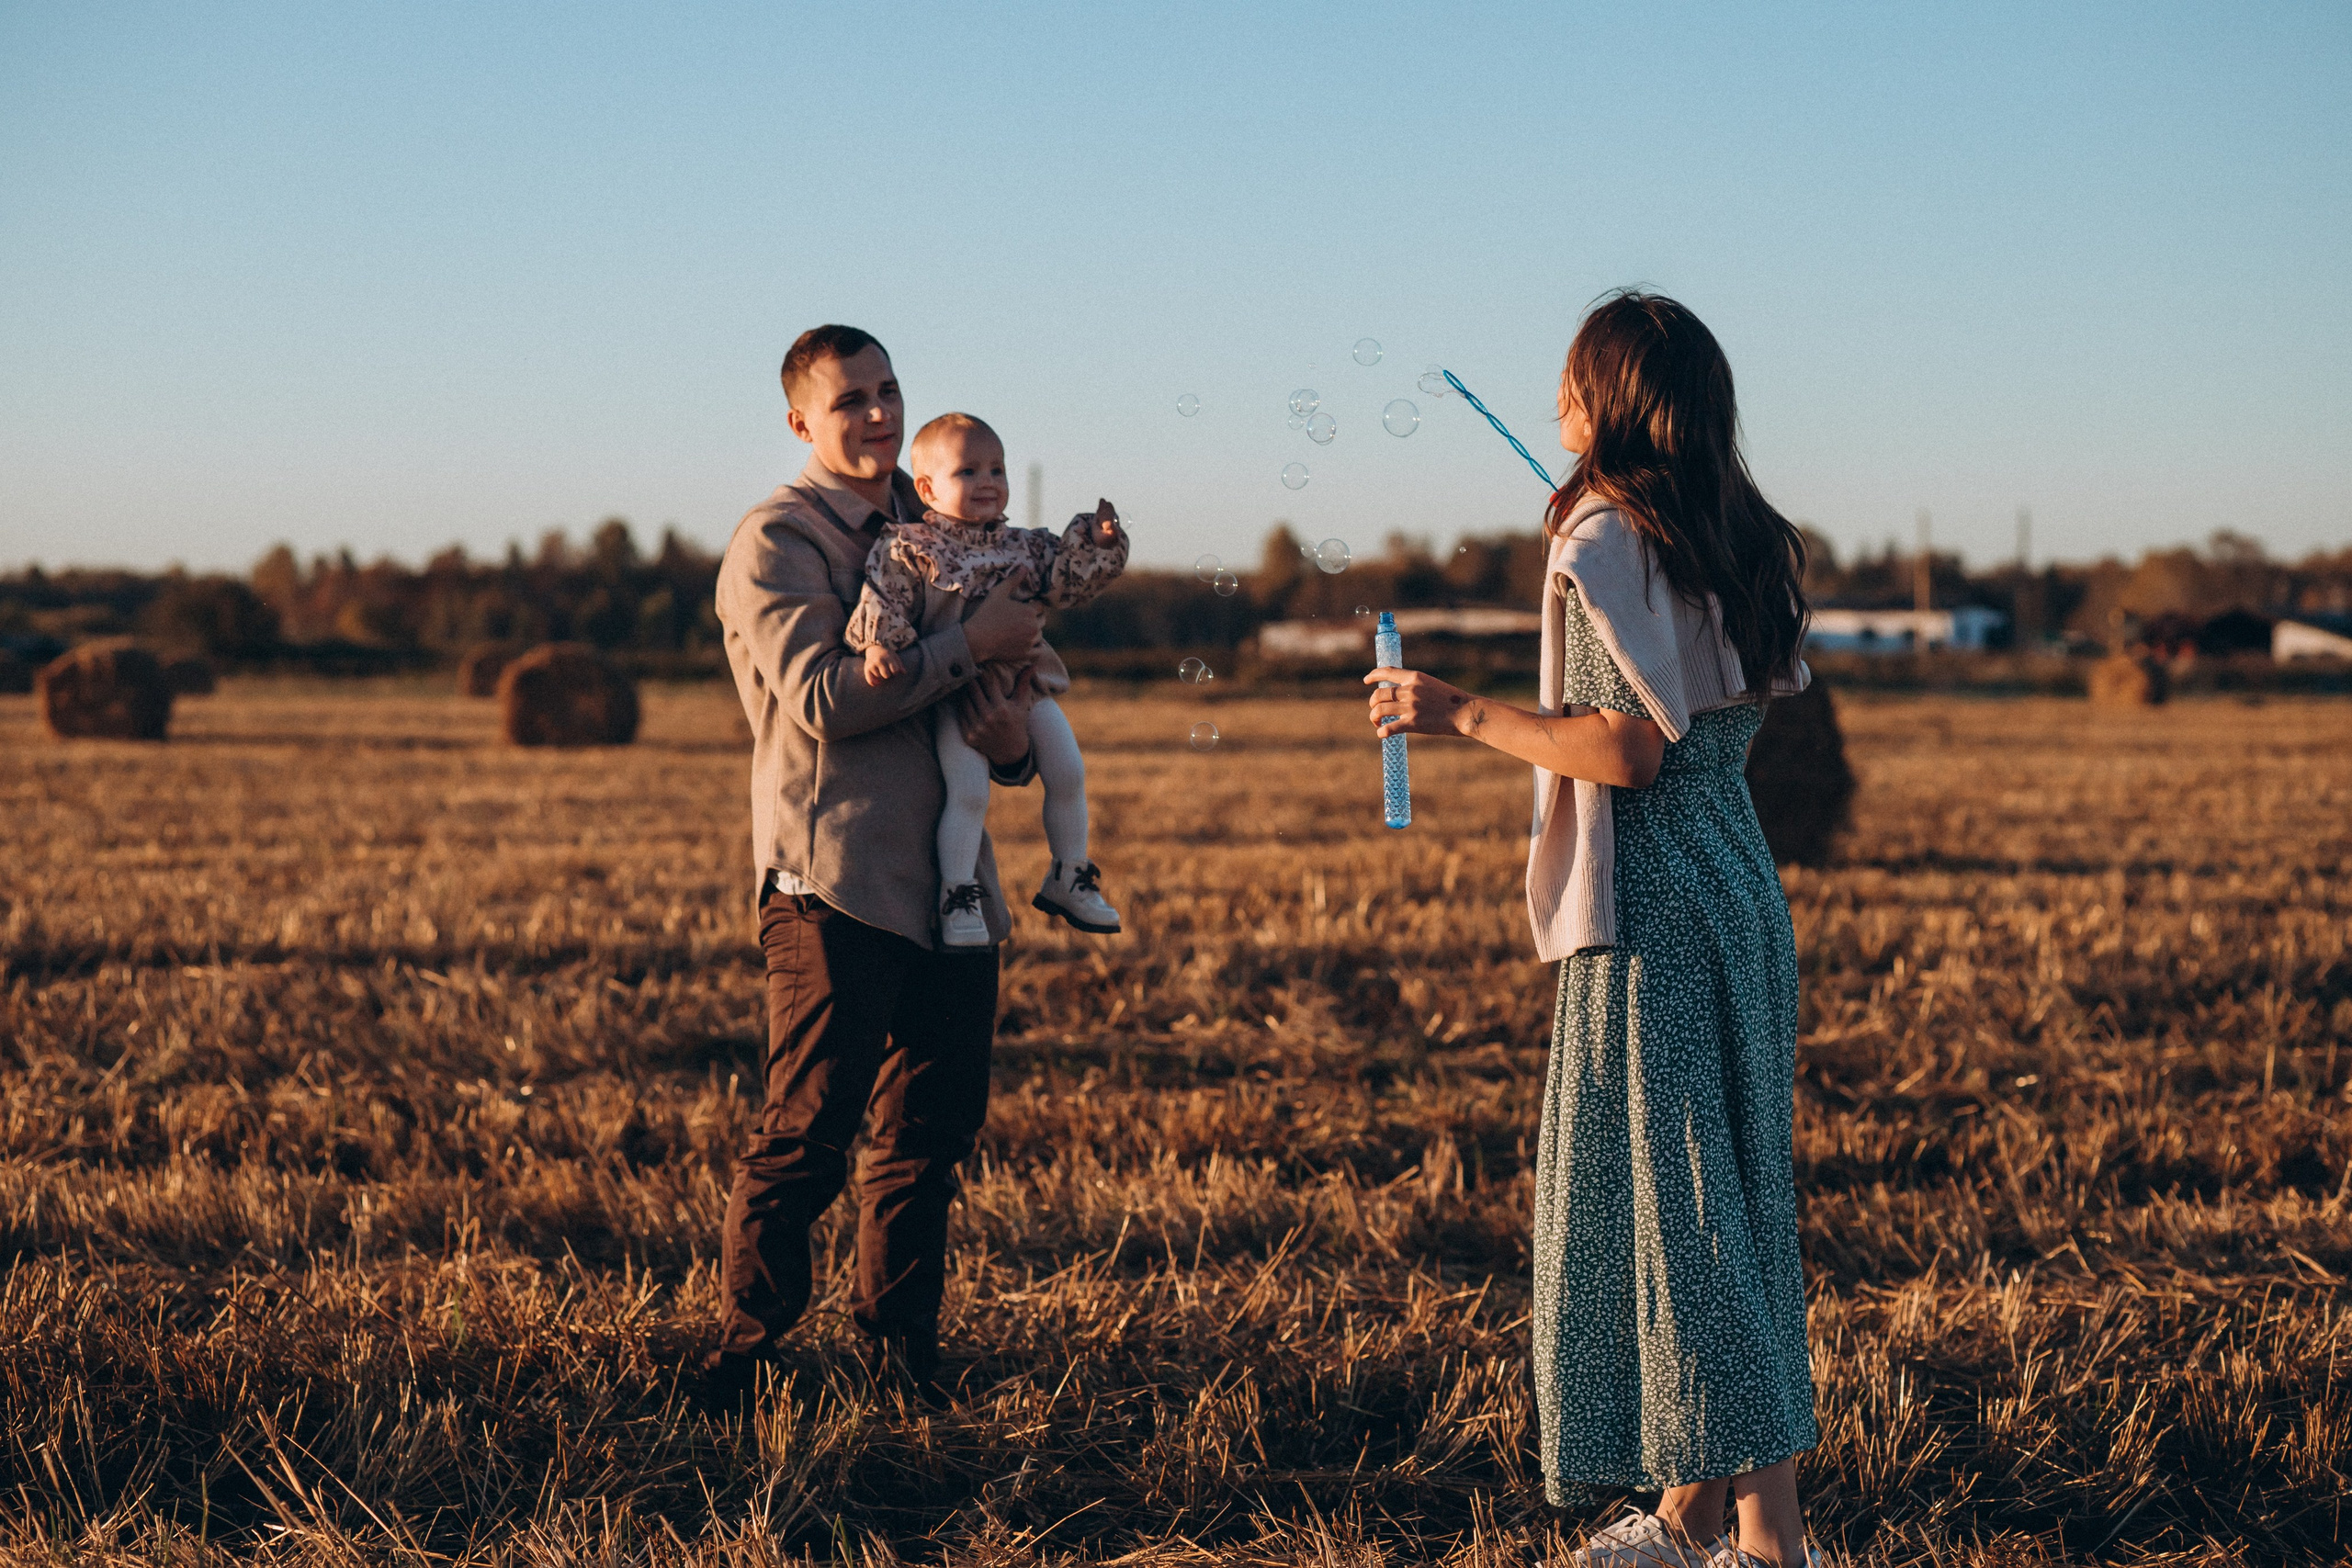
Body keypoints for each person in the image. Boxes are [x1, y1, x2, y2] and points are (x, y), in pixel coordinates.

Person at [1366, 292, 1823, 1568]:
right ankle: (1690, 1515)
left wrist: (1455, 711)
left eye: (1571, 379)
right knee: (1723, 1199)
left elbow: (1626, 748)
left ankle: (1771, 1537)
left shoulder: (1609, 537)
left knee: (1684, 1213)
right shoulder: (1733, 531)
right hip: (1737, 879)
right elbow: (1724, 717)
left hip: (1658, 898)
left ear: (1611, 398)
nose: (1554, 400)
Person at [707, 324, 1047, 1405]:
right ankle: (743, 1354)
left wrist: (1013, 741)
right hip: (834, 881)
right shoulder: (778, 541)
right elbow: (820, 700)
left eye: (890, 390)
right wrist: (971, 646)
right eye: (851, 398)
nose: (880, 413)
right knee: (807, 1135)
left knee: (927, 1140)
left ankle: (900, 1360)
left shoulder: (942, 523)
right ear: (802, 421)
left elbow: (999, 722)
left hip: (952, 889)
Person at [847, 411, 1129, 946]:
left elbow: (1072, 579)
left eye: (997, 470)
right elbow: (884, 596)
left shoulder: (1026, 545)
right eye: (968, 472)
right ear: (926, 488)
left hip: (1029, 683)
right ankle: (958, 894)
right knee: (969, 791)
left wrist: (1098, 540)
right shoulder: (911, 546)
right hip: (956, 691)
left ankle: (1070, 873)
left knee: (1069, 770)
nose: (988, 482)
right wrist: (879, 642)